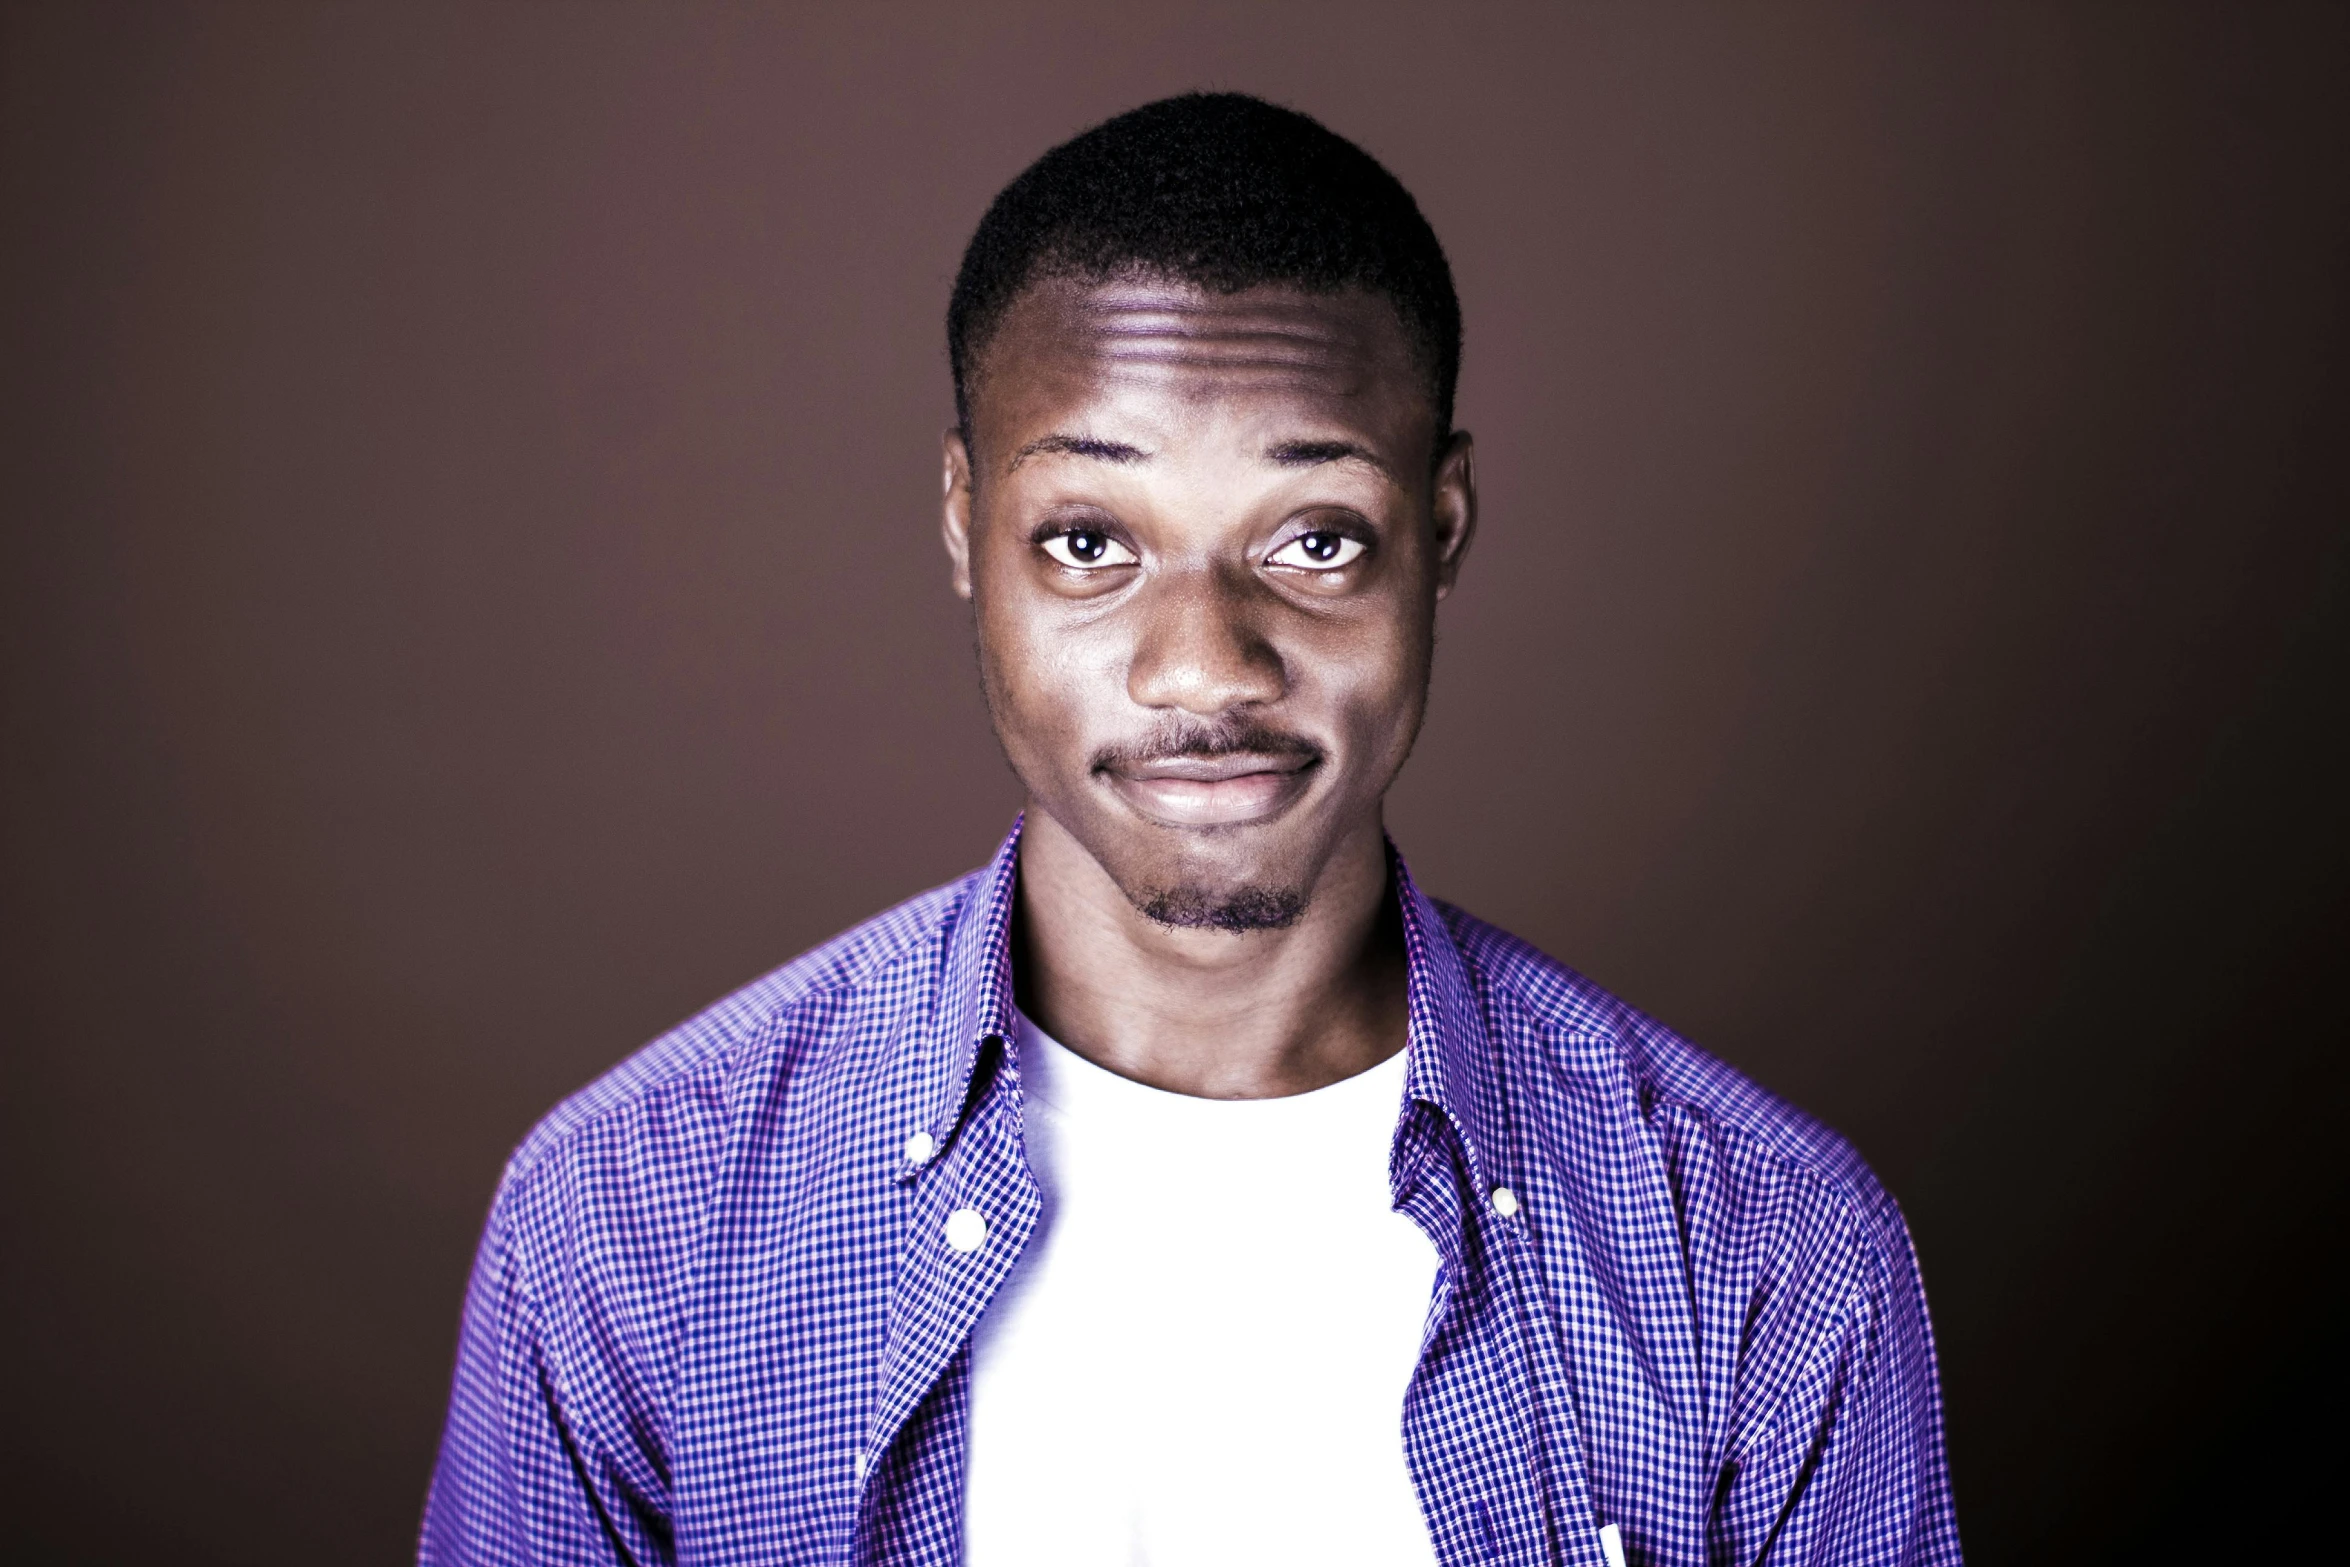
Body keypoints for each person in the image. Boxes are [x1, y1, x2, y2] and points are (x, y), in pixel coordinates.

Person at [419, 93, 1961, 1567]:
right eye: (1090, 541)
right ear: (968, 528)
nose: (1206, 663)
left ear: (1442, 528)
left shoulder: (1762, 1253)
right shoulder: (633, 1219)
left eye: (1312, 540)